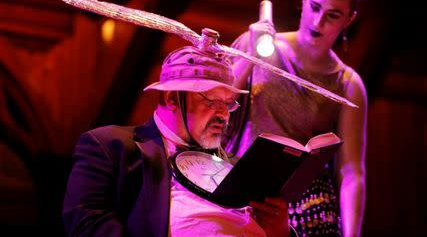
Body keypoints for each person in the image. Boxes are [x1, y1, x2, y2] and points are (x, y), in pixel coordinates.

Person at [62, 44, 297, 236]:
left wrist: (281, 233)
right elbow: (86, 222)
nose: (224, 115)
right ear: (172, 98)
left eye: (228, 104)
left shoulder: (238, 168)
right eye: (211, 100)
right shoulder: (111, 146)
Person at [226, 0, 367, 237]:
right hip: (239, 183)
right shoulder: (260, 43)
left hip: (298, 204)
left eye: (333, 15)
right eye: (314, 7)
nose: (318, 21)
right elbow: (212, 104)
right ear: (304, 0)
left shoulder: (348, 83)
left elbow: (351, 172)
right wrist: (251, 55)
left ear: (349, 19)